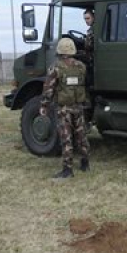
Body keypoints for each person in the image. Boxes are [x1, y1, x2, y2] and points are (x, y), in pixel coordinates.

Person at [39, 37, 90, 178]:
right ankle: (85, 163)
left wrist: (44, 105)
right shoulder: (81, 66)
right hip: (78, 106)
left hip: (64, 108)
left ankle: (67, 170)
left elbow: (49, 89)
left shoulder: (55, 67)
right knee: (81, 135)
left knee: (66, 137)